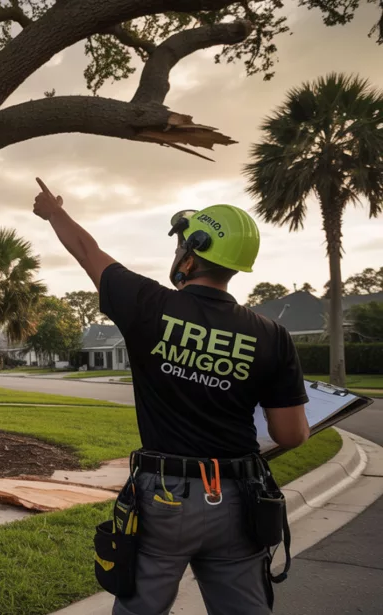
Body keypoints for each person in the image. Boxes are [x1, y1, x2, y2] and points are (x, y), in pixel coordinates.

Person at [31, 178, 310, 615]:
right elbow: (291, 435)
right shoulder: (272, 335)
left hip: (163, 498)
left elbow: (87, 251)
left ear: (193, 252)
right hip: (239, 499)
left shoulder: (147, 304)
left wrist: (53, 211)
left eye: (181, 245)